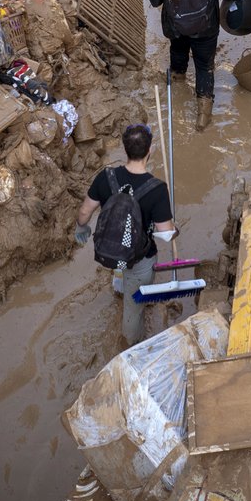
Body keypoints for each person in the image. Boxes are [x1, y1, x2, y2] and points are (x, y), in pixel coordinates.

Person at [74, 123, 174, 345]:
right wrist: (175, 229)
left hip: (112, 247)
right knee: (133, 310)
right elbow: (165, 233)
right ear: (150, 151)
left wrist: (81, 227)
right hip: (140, 258)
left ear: (125, 149)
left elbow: (85, 211)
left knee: (121, 264)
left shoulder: (106, 176)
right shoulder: (157, 188)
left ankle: (119, 285)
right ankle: (130, 346)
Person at [148, 0, 234, 130]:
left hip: (176, 27)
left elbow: (155, 0)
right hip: (205, 28)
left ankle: (177, 85)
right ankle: (203, 117)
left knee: (178, 54)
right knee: (204, 67)